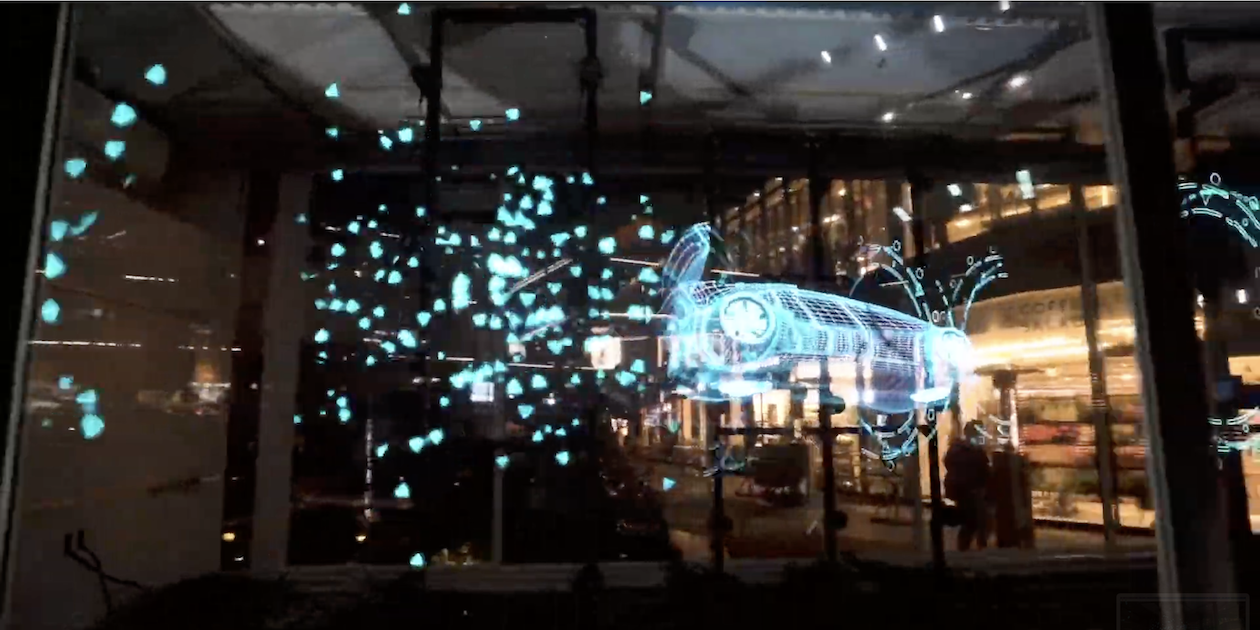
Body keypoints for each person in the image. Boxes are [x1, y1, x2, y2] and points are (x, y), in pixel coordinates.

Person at [944, 422, 991, 551]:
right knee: (973, 519)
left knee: (977, 519)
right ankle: (967, 546)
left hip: (971, 488)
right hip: (968, 489)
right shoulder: (965, 450)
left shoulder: (967, 449)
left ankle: (972, 545)